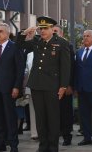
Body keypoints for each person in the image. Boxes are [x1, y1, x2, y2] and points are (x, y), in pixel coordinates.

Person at [16, 16, 71, 152]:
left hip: (52, 86)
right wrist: (25, 33)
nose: (42, 31)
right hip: (36, 85)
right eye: (41, 29)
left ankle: (53, 146)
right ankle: (43, 145)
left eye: (45, 28)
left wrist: (63, 86)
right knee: (40, 118)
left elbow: (65, 67)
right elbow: (19, 45)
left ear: (53, 29)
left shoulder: (62, 43)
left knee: (52, 118)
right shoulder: (36, 41)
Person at [0, 23, 25, 152]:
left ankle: (13, 145)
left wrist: (16, 87)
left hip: (9, 89)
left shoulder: (14, 47)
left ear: (7, 34)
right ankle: (0, 144)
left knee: (10, 117)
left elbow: (20, 69)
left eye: (0, 31)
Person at [52, 25, 75, 146]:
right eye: (52, 31)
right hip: (51, 86)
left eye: (55, 31)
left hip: (64, 86)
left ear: (61, 33)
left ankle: (67, 136)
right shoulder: (47, 46)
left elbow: (70, 67)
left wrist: (69, 85)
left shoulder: (67, 45)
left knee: (65, 112)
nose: (53, 33)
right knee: (54, 113)